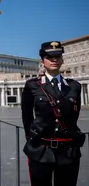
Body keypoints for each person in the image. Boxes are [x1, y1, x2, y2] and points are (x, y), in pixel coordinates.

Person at [21, 41, 85, 186]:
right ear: (42, 61)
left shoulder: (74, 86)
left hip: (68, 151)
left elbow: (75, 115)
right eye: (50, 57)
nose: (54, 60)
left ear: (62, 60)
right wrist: (31, 138)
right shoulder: (32, 85)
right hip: (41, 150)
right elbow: (26, 115)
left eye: (58, 56)